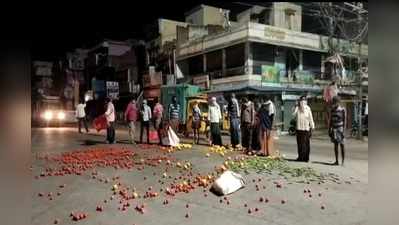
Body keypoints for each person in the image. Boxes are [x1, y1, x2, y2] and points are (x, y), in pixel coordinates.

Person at [292, 96, 315, 162]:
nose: (302, 102)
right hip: (299, 128)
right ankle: (300, 157)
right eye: (301, 100)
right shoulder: (297, 108)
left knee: (306, 144)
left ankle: (306, 158)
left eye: (304, 100)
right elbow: (293, 115)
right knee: (300, 144)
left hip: (306, 129)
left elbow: (310, 118)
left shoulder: (308, 108)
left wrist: (312, 127)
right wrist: (295, 106)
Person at [329, 96, 346, 166]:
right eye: (333, 102)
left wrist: (344, 131)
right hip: (334, 129)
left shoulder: (342, 110)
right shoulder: (332, 110)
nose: (334, 103)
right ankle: (336, 161)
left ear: (338, 102)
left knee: (342, 145)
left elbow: (345, 120)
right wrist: (329, 129)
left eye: (335, 102)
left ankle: (343, 161)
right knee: (335, 145)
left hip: (340, 129)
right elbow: (331, 120)